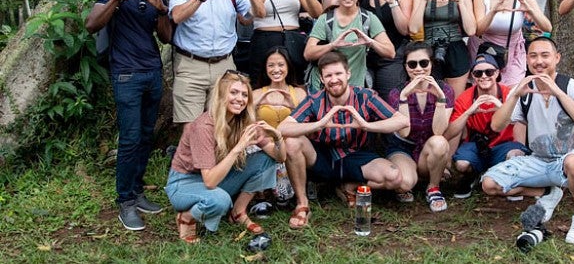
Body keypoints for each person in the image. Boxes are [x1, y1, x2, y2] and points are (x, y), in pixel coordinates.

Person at [85, 0, 172, 231]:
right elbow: (91, 25)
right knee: (131, 138)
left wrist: (161, 9)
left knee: (147, 135)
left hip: (152, 72)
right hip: (125, 74)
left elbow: (166, 38)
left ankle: (136, 192)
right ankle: (125, 201)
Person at [481, 37, 574, 244]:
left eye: (545, 55)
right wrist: (515, 95)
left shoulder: (571, 87)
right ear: (527, 60)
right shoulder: (524, 89)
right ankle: (548, 193)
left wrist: (558, 93)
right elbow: (496, 126)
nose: (539, 61)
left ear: (557, 58)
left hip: (569, 157)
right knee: (490, 184)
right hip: (539, 160)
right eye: (533, 56)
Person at [278, 51, 410, 229]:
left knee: (394, 177)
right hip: (323, 157)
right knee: (292, 141)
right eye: (328, 75)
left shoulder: (365, 96)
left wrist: (365, 125)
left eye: (338, 74)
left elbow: (401, 121)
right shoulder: (314, 100)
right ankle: (302, 203)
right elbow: (282, 128)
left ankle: (349, 186)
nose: (334, 80)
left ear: (348, 74)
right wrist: (318, 125)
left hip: (356, 155)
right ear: (322, 79)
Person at [165, 71, 285, 243]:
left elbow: (279, 158)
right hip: (184, 183)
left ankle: (238, 212)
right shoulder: (203, 126)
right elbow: (210, 182)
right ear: (221, 95)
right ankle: (186, 217)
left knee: (265, 159)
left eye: (244, 95)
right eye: (234, 92)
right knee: (220, 201)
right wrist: (238, 148)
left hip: (216, 177)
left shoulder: (242, 121)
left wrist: (277, 136)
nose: (240, 99)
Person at [169, 0, 266, 125]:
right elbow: (177, 16)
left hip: (224, 66)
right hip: (191, 66)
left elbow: (260, 13)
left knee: (221, 125)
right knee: (190, 128)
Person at [445, 54, 527, 199]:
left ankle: (510, 180)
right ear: (473, 77)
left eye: (489, 72)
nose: (484, 76)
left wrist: (502, 108)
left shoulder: (509, 94)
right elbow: (450, 133)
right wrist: (469, 112)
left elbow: (522, 122)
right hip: (476, 144)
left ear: (497, 73)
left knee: (516, 155)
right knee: (462, 164)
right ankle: (473, 176)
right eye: (478, 73)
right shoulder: (465, 98)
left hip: (504, 145)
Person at [386, 42, 455, 212]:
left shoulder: (445, 90)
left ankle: (433, 187)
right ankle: (411, 178)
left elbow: (439, 131)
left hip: (428, 150)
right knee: (405, 184)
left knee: (439, 142)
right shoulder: (396, 93)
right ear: (405, 67)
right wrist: (403, 97)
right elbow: (404, 131)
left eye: (424, 63)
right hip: (403, 147)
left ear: (431, 64)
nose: (418, 69)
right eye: (412, 64)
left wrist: (440, 98)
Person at [304, 0, 395, 92]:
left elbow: (390, 52)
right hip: (326, 89)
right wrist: (333, 45)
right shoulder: (326, 19)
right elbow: (308, 53)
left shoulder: (368, 18)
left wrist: (370, 42)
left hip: (355, 89)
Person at [472, 0, 551, 86]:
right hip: (485, 52)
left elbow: (547, 27)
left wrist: (530, 10)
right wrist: (493, 11)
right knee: (487, 97)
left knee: (511, 96)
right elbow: (478, 30)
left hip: (512, 53)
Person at [409, 0, 476, 96]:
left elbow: (471, 30)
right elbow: (413, 28)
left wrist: (458, 1)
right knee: (431, 101)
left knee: (455, 102)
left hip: (456, 50)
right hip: (430, 51)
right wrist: (425, 0)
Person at [252, 46, 308, 205]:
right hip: (264, 145)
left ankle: (293, 194)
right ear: (265, 68)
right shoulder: (256, 93)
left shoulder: (299, 93)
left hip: (290, 147)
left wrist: (292, 107)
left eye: (281, 65)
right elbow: (244, 123)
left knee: (284, 197)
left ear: (288, 66)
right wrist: (257, 102)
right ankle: (260, 196)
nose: (276, 69)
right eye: (271, 65)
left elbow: (307, 128)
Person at [359, 0, 412, 100]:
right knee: (362, 99)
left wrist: (392, 2)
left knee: (390, 99)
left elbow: (404, 30)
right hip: (363, 55)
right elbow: (341, 4)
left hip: (391, 56)